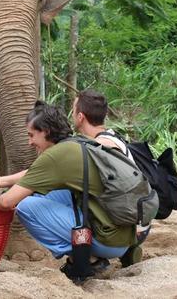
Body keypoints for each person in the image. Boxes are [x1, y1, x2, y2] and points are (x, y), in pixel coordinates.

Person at [0, 101, 138, 281]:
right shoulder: (77, 143)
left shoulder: (55, 156)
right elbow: (34, 174)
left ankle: (86, 258)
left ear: (46, 131)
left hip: (108, 241)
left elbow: (6, 202)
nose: (29, 142)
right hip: (123, 235)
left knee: (26, 206)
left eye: (31, 135)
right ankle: (92, 255)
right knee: (43, 192)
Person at [72, 88, 150, 263]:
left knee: (69, 196)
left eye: (73, 110)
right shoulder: (113, 137)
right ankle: (127, 250)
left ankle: (94, 258)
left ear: (80, 117)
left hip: (130, 229)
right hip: (139, 222)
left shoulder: (100, 147)